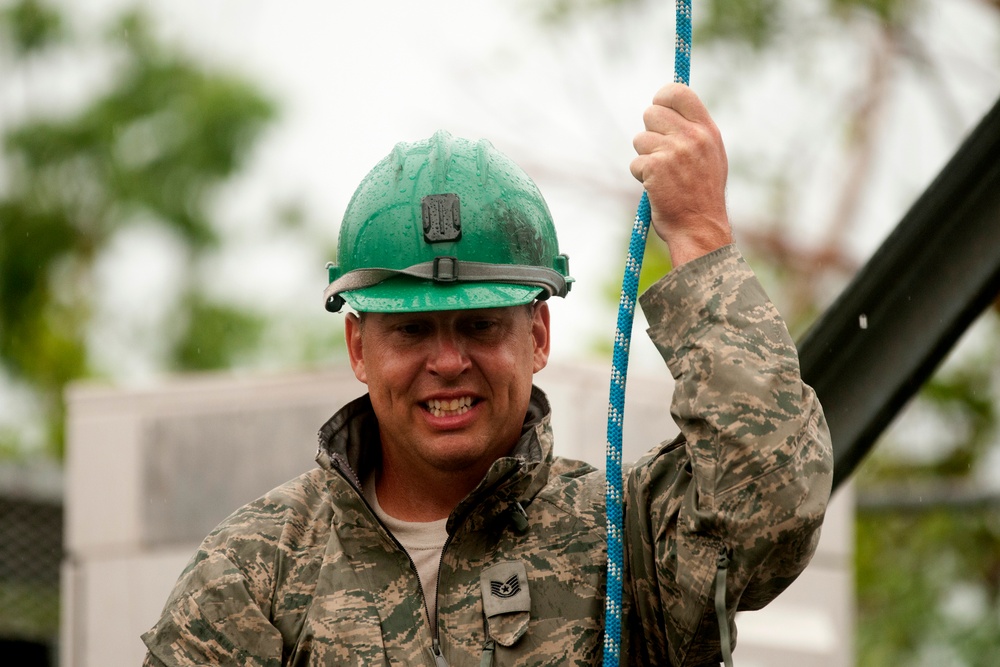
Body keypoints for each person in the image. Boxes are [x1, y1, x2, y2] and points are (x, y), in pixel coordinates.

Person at [142, 83, 833, 666]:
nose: (447, 362)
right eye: (411, 329)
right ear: (358, 346)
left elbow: (770, 503)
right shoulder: (255, 574)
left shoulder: (625, 545)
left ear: (537, 335)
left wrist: (701, 235)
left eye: (479, 324)